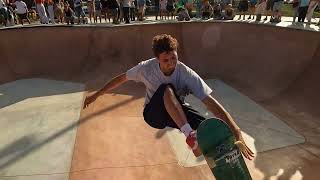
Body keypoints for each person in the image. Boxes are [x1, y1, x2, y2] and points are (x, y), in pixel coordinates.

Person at [83, 34, 255, 160]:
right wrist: (97, 95)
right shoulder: (145, 68)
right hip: (153, 114)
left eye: (174, 58)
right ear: (157, 59)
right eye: (166, 60)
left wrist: (237, 131)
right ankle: (190, 136)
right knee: (166, 88)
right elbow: (120, 79)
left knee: (207, 127)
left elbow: (209, 101)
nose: (171, 63)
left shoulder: (186, 72)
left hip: (175, 112)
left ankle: (219, 154)